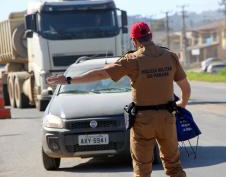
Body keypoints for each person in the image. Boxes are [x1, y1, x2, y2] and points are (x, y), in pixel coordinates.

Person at [47, 21, 191, 177]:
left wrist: (68, 80)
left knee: (142, 170)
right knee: (173, 166)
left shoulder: (132, 60)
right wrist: (182, 103)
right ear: (151, 36)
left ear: (134, 41)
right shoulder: (170, 56)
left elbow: (100, 74)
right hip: (166, 118)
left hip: (143, 122)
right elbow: (185, 87)